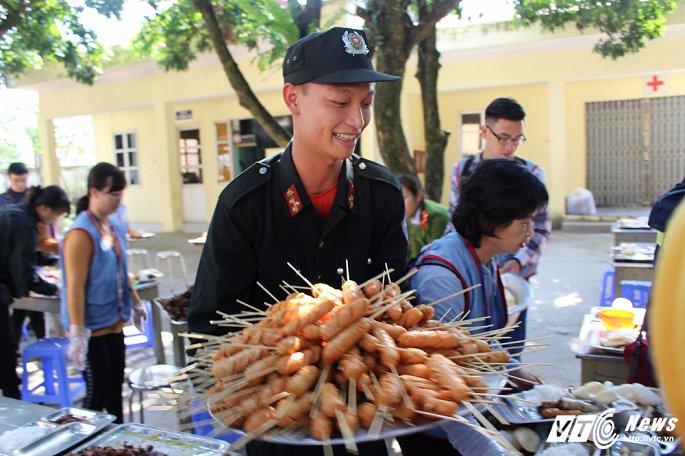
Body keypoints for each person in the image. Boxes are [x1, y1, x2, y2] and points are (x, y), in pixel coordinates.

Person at [188, 27, 407, 456]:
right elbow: (208, 333)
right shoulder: (244, 205)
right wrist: (249, 385)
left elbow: (398, 304)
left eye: (365, 104)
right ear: (293, 99)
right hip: (276, 431)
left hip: (365, 425)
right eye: (340, 103)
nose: (357, 121)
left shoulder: (380, 194)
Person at [399, 159, 548, 455]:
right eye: (524, 223)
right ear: (493, 219)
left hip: (472, 414)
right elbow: (443, 380)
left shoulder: (487, 259)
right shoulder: (443, 278)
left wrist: (510, 369)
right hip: (438, 432)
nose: (530, 233)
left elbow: (479, 343)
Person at [61, 163, 146, 423]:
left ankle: (120, 443)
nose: (117, 200)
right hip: (91, 328)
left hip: (114, 322)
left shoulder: (115, 226)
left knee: (114, 391)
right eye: (112, 194)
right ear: (94, 192)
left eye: (120, 194)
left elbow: (123, 270)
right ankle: (85, 445)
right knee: (96, 396)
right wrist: (77, 332)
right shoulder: (80, 233)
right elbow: (74, 285)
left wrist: (136, 302)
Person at [0, 185, 68, 399]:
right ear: (43, 207)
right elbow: (23, 274)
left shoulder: (16, 213)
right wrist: (55, 289)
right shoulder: (23, 224)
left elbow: (19, 255)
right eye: (56, 213)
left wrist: (49, 259)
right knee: (5, 348)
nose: (55, 219)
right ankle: (12, 397)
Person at [399, 175, 449, 264]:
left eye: (403, 197)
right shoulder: (409, 216)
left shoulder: (436, 215)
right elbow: (415, 249)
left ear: (418, 196)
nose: (400, 204)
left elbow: (436, 250)